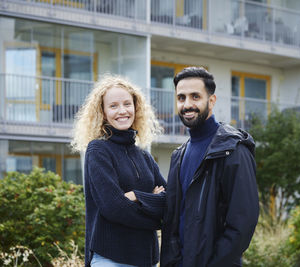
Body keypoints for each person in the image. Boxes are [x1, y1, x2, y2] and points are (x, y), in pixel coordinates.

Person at [161, 67, 259, 267]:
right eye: (181, 98)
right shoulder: (179, 155)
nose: (187, 104)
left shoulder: (233, 149)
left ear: (211, 101)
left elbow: (243, 222)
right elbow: (172, 220)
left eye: (195, 96)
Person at [71, 74, 166, 267]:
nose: (122, 111)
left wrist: (135, 196)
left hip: (146, 259)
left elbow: (169, 201)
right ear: (103, 112)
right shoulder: (98, 150)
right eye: (113, 106)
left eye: (127, 104)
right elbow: (113, 208)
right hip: (111, 259)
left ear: (135, 107)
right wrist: (154, 214)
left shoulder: (145, 156)